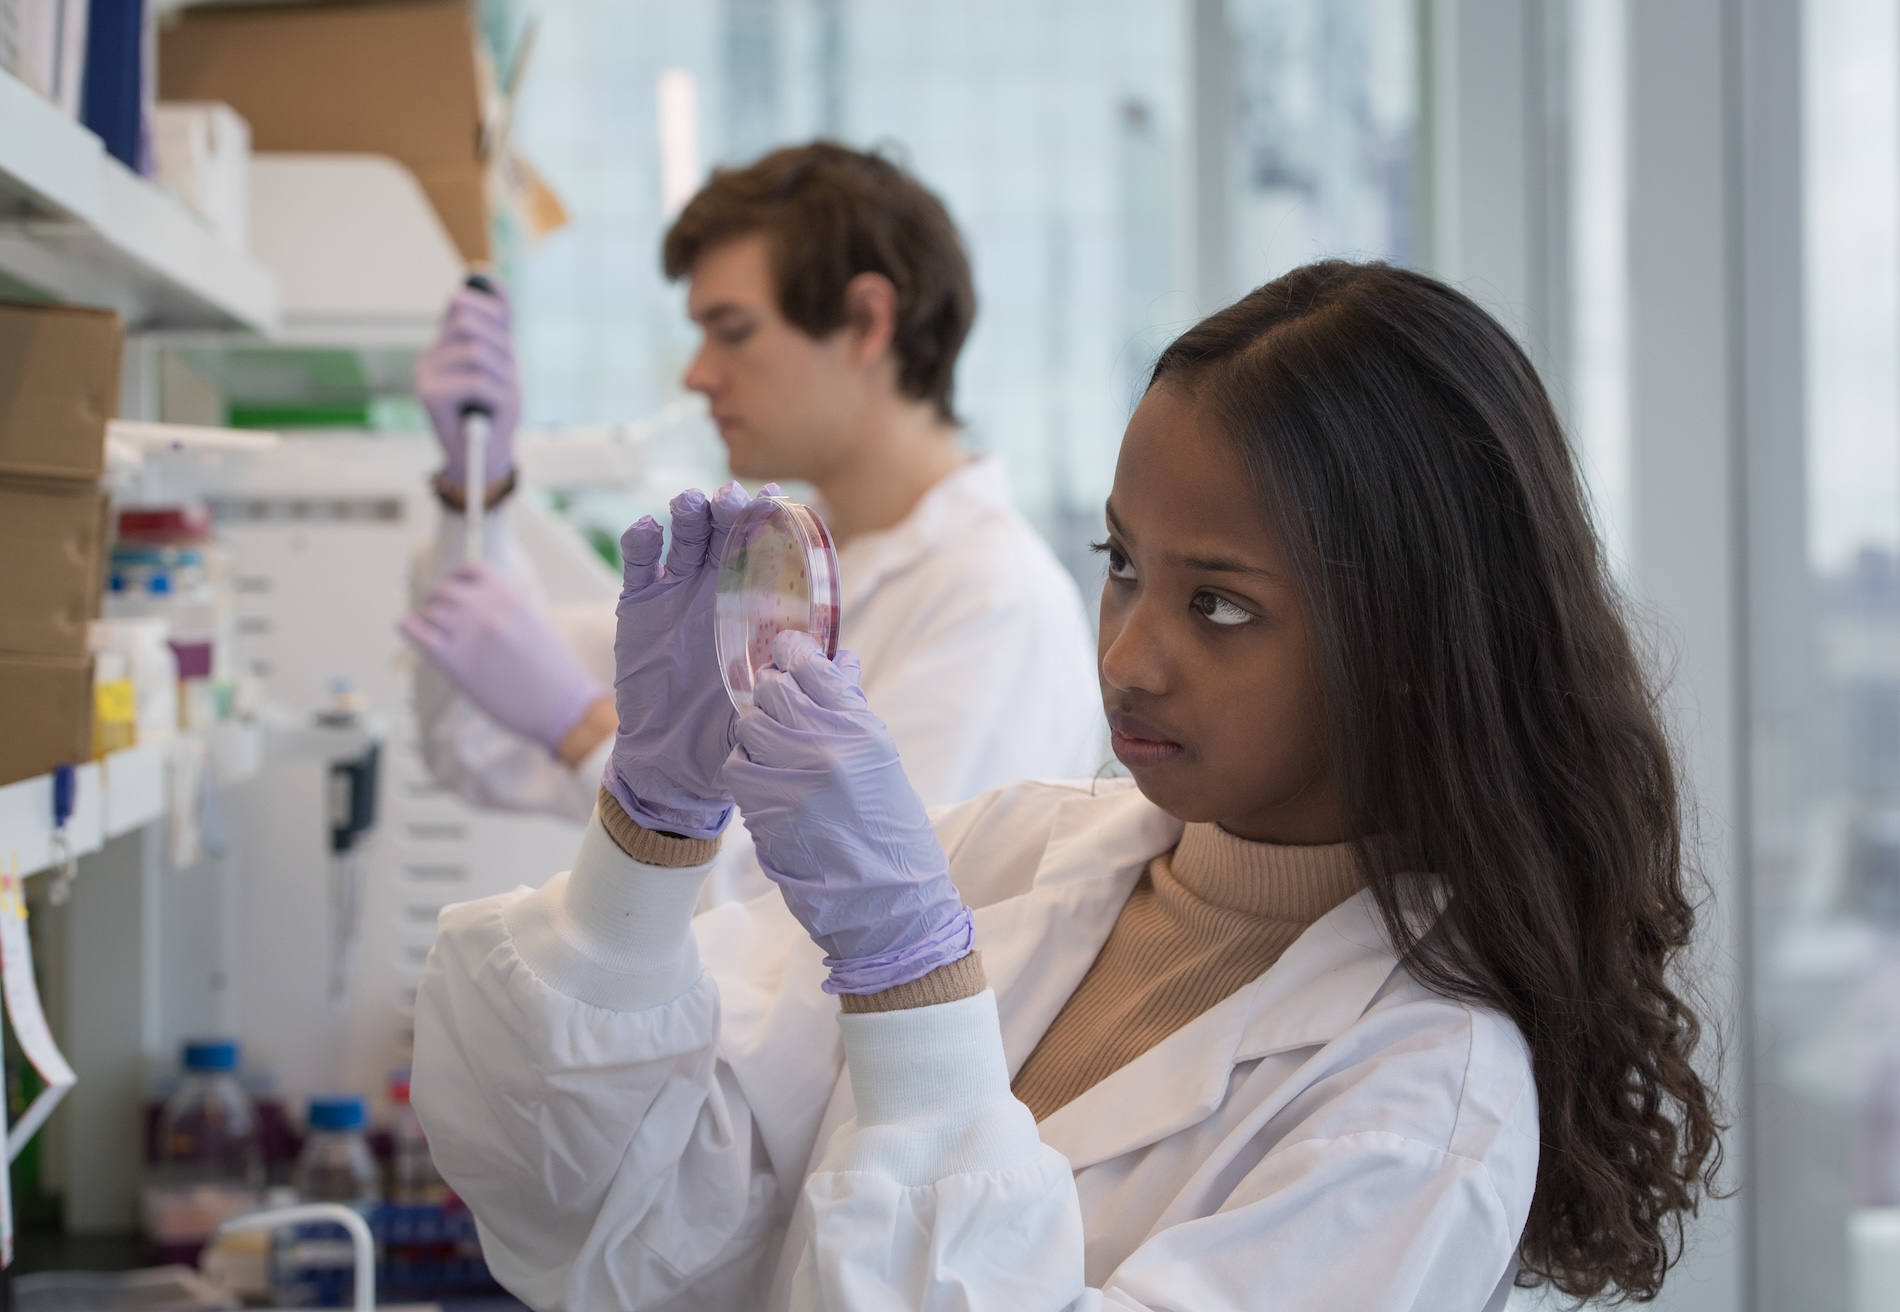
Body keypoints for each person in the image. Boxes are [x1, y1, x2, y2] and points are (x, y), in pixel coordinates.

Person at [412, 262, 1722, 1309]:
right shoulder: (1021, 854)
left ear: (1411, 635)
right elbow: (616, 1228)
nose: (1129, 655)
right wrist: (649, 828)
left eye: (1219, 603)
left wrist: (914, 991)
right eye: (1125, 564)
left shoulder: (1426, 1096)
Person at [400, 144, 1101, 834]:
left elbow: (844, 910)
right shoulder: (776, 574)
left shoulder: (995, 603)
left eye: (732, 332)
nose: (697, 373)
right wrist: (477, 486)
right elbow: (477, 741)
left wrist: (581, 725)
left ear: (866, 322)